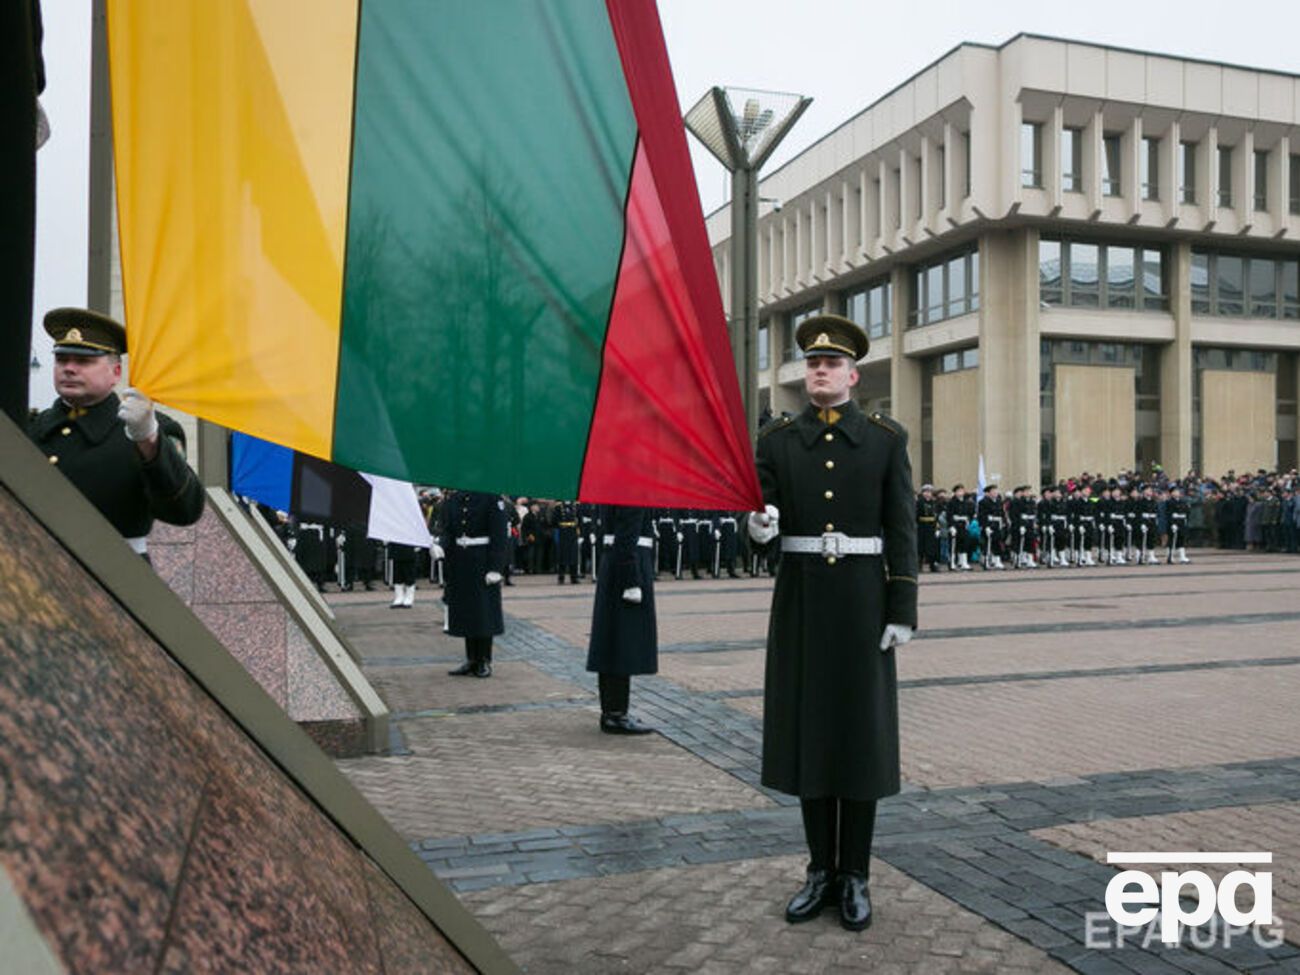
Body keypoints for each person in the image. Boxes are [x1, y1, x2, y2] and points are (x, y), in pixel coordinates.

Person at [747, 313, 917, 933]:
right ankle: (819, 870)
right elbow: (762, 516)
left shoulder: (883, 438)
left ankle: (856, 875)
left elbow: (901, 529)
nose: (819, 371)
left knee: (860, 739)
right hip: (802, 603)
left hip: (863, 605)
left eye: (831, 364)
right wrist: (758, 527)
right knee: (812, 734)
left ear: (852, 374)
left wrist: (903, 610)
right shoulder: (778, 440)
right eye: (812, 364)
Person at [27, 308, 204, 556]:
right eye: (62, 359)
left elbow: (184, 510)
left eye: (83, 361)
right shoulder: (31, 427)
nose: (69, 368)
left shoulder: (149, 429)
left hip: (110, 576)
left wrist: (149, 439)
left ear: (116, 373)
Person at [585, 505, 658, 734]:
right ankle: (616, 714)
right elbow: (627, 535)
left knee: (612, 642)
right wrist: (631, 580)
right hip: (628, 566)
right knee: (622, 644)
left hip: (614, 563)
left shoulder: (615, 487)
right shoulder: (633, 488)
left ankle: (611, 711)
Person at [441, 489, 509, 677]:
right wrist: (440, 545)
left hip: (482, 562)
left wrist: (496, 567)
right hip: (461, 562)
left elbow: (499, 535)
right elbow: (448, 529)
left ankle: (484, 660)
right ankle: (471, 659)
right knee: (467, 612)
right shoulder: (454, 499)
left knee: (483, 613)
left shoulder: (491, 498)